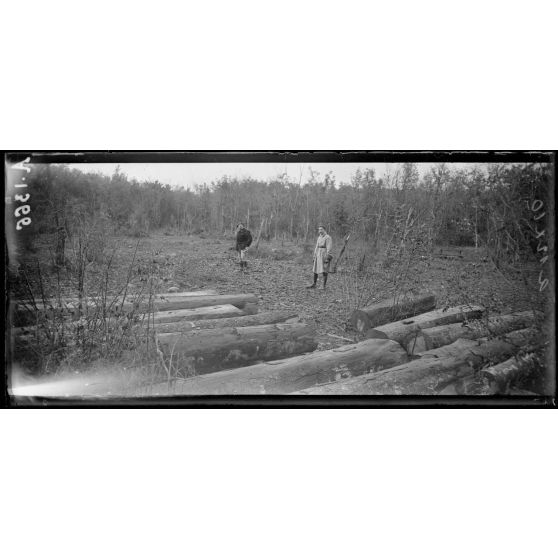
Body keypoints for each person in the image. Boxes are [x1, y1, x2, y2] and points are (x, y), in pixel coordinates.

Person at [307, 225, 332, 289]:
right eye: (319, 230)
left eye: (321, 229)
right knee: (315, 269)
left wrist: (327, 256)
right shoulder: (319, 237)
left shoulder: (328, 237)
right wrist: (314, 255)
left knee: (324, 270)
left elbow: (329, 248)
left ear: (324, 230)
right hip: (318, 254)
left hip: (324, 254)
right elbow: (316, 246)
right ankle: (314, 284)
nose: (320, 231)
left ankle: (323, 286)